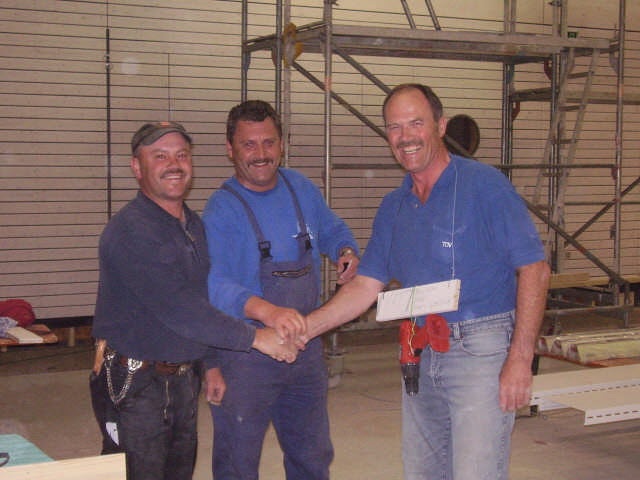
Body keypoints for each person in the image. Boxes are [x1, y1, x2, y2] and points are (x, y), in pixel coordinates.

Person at [303, 84, 550, 480]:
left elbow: (535, 269)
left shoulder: (484, 186)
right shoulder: (394, 206)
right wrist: (304, 329)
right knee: (423, 472)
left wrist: (520, 359)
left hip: (480, 347)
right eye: (395, 127)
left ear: (440, 125)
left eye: (416, 123)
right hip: (420, 348)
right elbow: (365, 286)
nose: (406, 137)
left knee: (476, 472)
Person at [90, 121, 297, 480]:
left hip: (182, 380)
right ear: (137, 167)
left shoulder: (191, 225)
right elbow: (181, 310)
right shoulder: (131, 231)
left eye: (182, 155)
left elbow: (201, 297)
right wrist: (257, 338)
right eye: (160, 156)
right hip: (135, 385)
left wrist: (210, 364)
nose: (174, 164)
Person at [201, 100, 360, 480]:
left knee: (312, 455)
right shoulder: (221, 210)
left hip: (305, 347)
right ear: (230, 149)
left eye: (269, 142)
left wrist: (345, 250)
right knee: (238, 462)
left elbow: (332, 228)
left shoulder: (301, 188)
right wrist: (268, 313)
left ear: (282, 144)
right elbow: (215, 285)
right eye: (249, 145)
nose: (261, 154)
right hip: (247, 354)